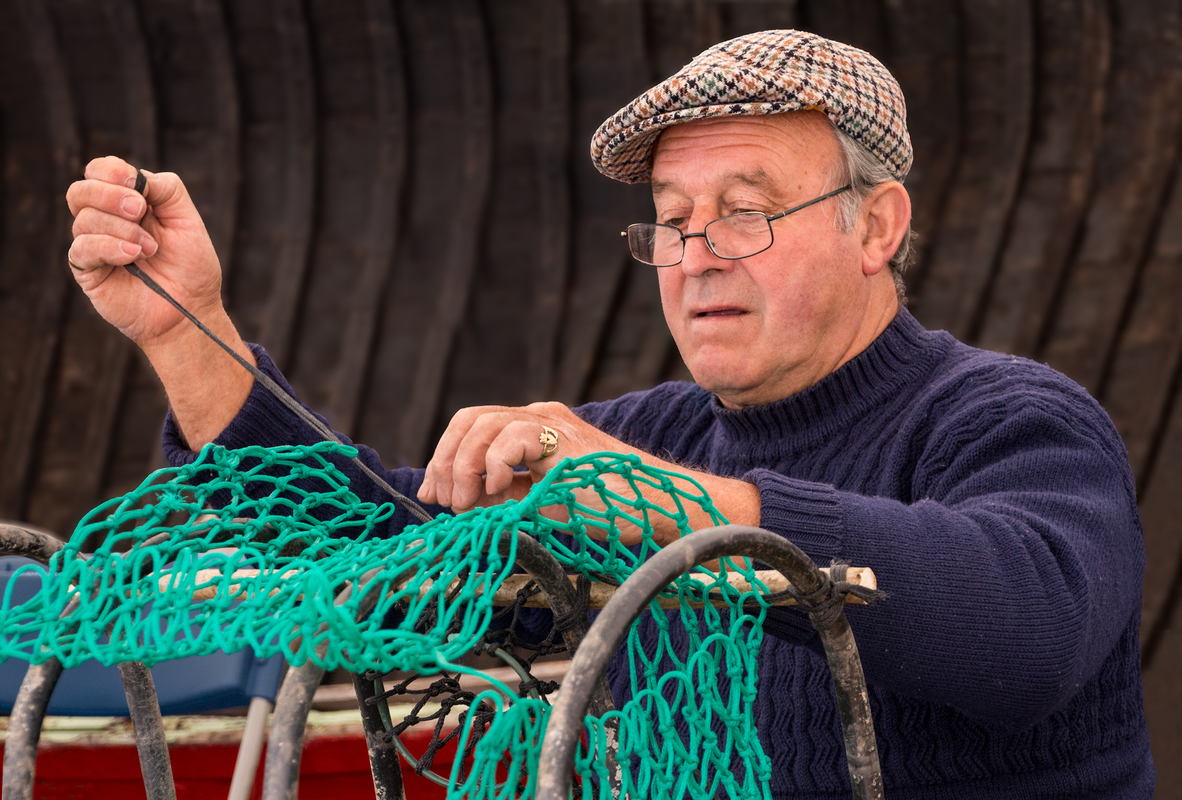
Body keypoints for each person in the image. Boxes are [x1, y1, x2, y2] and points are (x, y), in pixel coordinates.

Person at [65, 28, 1152, 800]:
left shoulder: (1014, 420)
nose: (696, 256)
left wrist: (633, 494)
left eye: (747, 212)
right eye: (673, 222)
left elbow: (1028, 628)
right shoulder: (654, 433)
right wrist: (183, 327)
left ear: (878, 227)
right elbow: (389, 557)